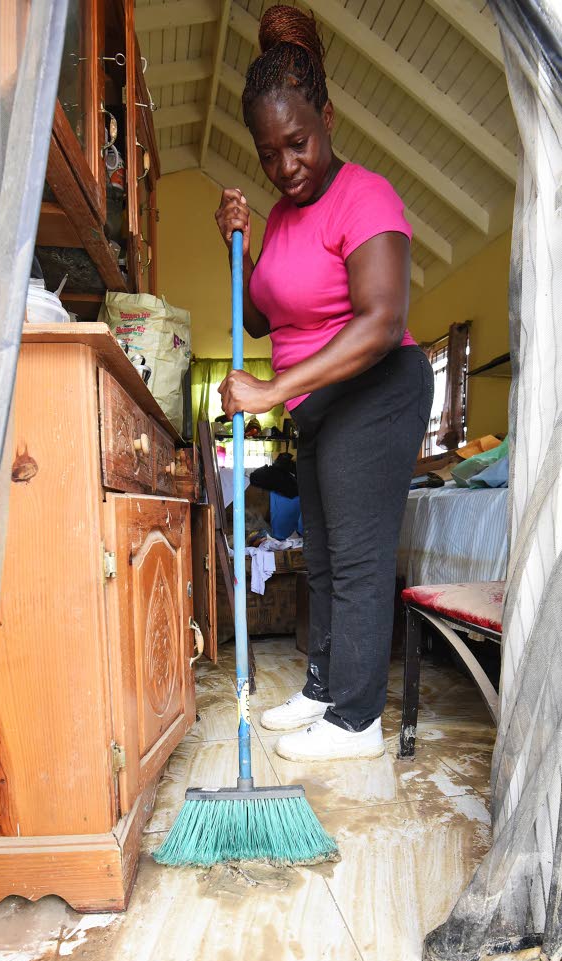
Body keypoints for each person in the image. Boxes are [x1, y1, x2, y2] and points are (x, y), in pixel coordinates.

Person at [215, 4, 434, 764]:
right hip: (318, 406)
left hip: (376, 390)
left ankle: (356, 722)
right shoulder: (278, 216)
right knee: (326, 556)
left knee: (359, 560)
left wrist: (271, 393)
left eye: (297, 143)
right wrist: (236, 244)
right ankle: (321, 691)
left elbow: (378, 322)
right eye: (268, 153)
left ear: (328, 118)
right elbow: (255, 317)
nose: (285, 167)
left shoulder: (364, 195)